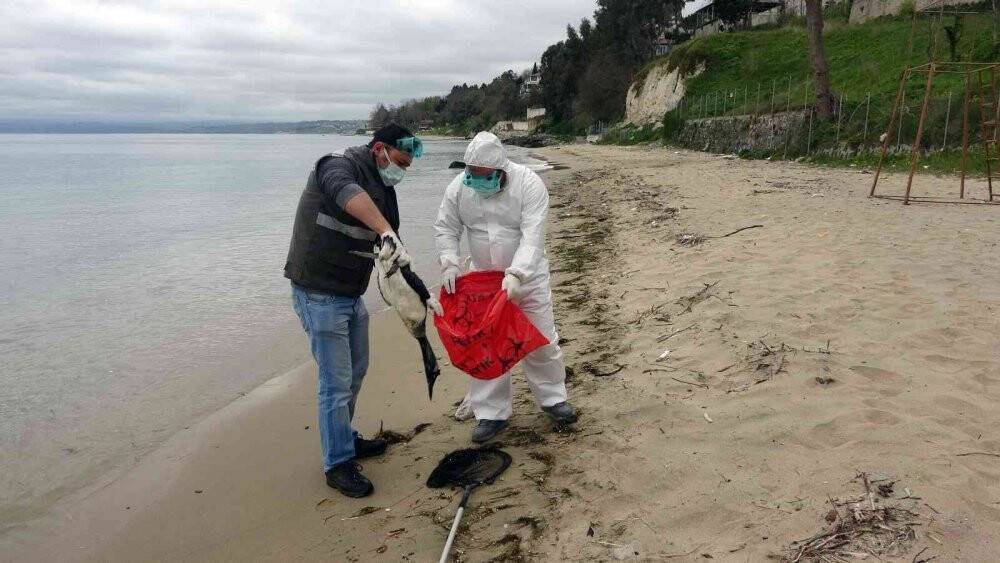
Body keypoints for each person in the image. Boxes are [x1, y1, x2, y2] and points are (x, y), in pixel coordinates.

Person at [284, 123, 431, 498]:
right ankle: (337, 464)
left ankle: (344, 439)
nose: (401, 171)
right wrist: (385, 231)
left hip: (350, 294)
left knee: (356, 371)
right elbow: (346, 193)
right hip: (318, 293)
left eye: (407, 166)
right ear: (379, 148)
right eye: (399, 162)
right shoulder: (337, 164)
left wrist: (421, 293)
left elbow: (395, 253)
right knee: (335, 382)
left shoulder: (385, 190)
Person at [434, 131, 577, 443]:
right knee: (486, 344)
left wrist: (517, 274)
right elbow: (446, 227)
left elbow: (533, 235)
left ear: (501, 170)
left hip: (528, 278)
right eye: (472, 174)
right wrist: (449, 262)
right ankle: (491, 413)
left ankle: (553, 398)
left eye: (484, 176)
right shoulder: (459, 188)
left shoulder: (528, 184)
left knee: (541, 338)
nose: (477, 181)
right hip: (483, 282)